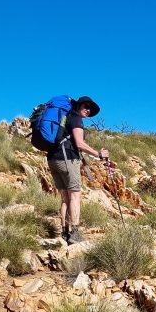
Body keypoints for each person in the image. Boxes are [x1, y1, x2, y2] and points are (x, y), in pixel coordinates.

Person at [47, 96, 109, 243]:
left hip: (53, 159)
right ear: (79, 105)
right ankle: (74, 233)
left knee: (65, 198)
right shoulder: (76, 119)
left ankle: (64, 232)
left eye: (90, 108)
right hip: (67, 160)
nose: (88, 110)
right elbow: (80, 144)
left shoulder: (66, 117)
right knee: (75, 196)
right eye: (86, 106)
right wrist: (99, 154)